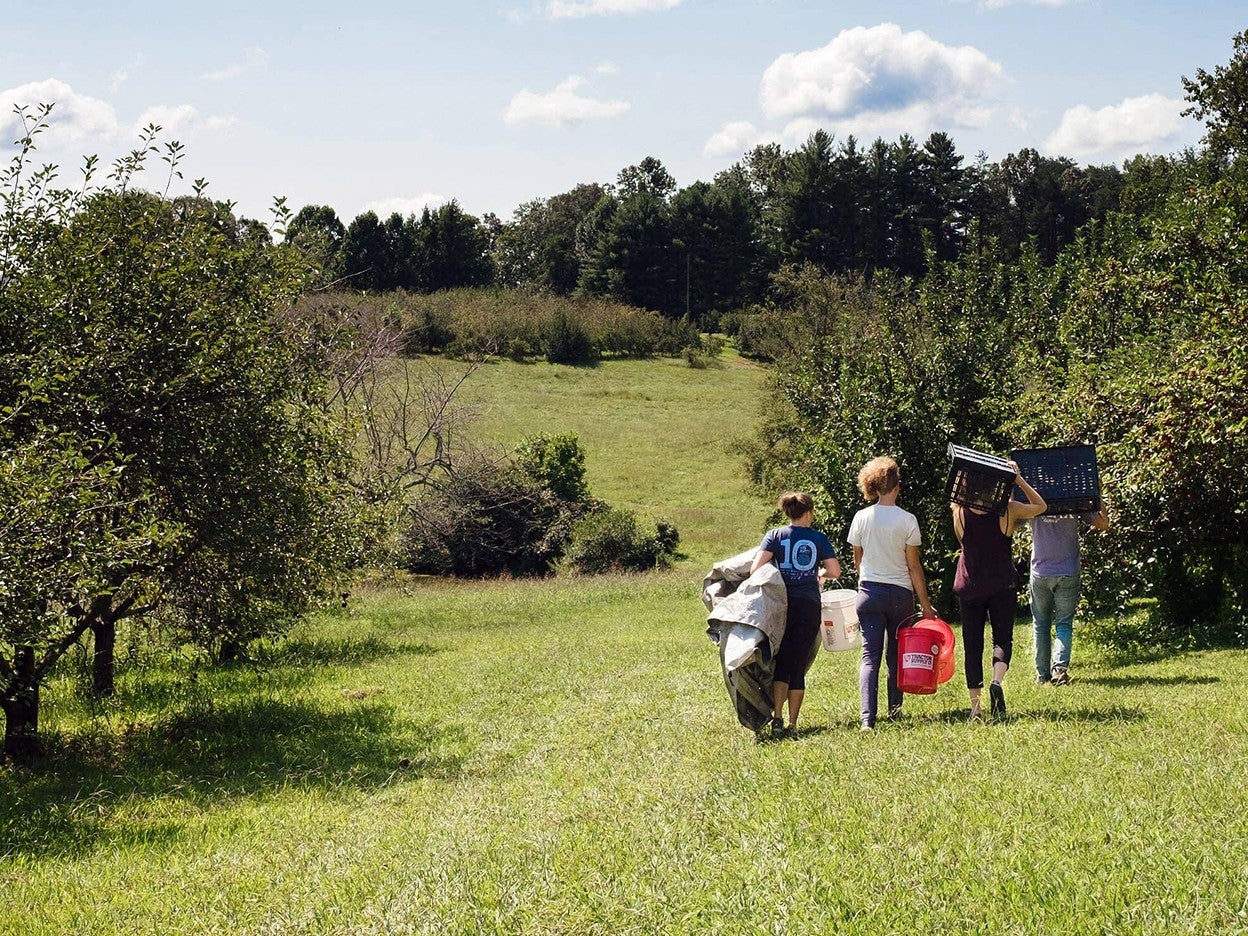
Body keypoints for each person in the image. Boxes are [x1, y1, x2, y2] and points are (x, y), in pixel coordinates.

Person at [952, 461, 1046, 720]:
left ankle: (975, 709)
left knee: (972, 644)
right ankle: (996, 681)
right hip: (1001, 584)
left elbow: (964, 544)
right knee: (1002, 639)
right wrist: (1018, 480)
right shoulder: (1008, 510)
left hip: (970, 585)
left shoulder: (958, 512)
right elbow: (1041, 507)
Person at [847, 457, 936, 731]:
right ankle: (895, 710)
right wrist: (926, 604)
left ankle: (866, 719)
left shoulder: (861, 517)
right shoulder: (908, 520)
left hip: (869, 593)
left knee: (869, 657)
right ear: (897, 487)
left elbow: (857, 561)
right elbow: (913, 566)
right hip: (900, 596)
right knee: (895, 655)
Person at [749, 491, 841, 737]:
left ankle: (776, 717)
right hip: (808, 606)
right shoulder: (818, 538)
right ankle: (792, 723)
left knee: (782, 661)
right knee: (798, 664)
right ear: (809, 512)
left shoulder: (775, 535)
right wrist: (819, 574)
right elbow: (835, 571)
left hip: (781, 606)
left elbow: (755, 568)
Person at [1030, 505, 1110, 685]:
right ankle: (1059, 670)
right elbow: (1103, 524)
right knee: (1063, 623)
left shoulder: (1032, 493)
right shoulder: (1074, 495)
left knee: (1041, 623)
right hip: (1068, 570)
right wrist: (1097, 492)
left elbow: (1011, 516)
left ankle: (1042, 676)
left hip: (1040, 571)